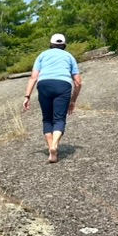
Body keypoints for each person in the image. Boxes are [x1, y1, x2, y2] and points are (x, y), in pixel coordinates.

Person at [22, 33, 82, 163]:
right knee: (59, 118)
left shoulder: (42, 55)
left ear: (51, 44)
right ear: (64, 45)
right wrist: (73, 100)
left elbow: (33, 77)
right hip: (63, 85)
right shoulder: (69, 56)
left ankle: (51, 150)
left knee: (47, 118)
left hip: (44, 85)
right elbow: (78, 82)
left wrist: (27, 96)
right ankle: (54, 145)